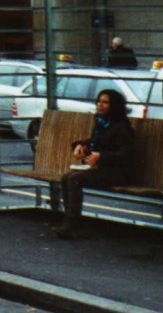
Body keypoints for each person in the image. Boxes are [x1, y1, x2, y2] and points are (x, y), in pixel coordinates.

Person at [51, 88, 134, 238]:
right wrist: (79, 145)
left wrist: (101, 156)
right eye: (99, 101)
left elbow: (128, 154)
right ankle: (69, 219)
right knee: (66, 177)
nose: (100, 105)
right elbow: (95, 142)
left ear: (113, 106)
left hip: (118, 172)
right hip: (102, 168)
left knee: (74, 179)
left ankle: (72, 224)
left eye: (105, 102)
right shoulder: (102, 122)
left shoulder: (121, 126)